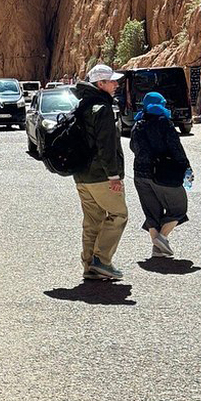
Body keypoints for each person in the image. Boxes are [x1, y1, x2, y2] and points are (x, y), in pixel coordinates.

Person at [74, 64, 128, 280]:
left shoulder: (82, 105)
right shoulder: (102, 109)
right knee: (119, 215)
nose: (116, 84)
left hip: (82, 176)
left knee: (92, 221)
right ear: (100, 84)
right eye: (112, 81)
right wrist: (113, 176)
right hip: (100, 176)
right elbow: (106, 146)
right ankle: (102, 260)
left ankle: (89, 266)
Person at [129, 92, 191, 257]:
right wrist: (186, 166)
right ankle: (161, 238)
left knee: (151, 212)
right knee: (178, 208)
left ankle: (157, 249)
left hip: (140, 175)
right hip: (163, 173)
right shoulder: (164, 123)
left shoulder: (138, 124)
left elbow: (133, 148)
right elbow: (175, 147)